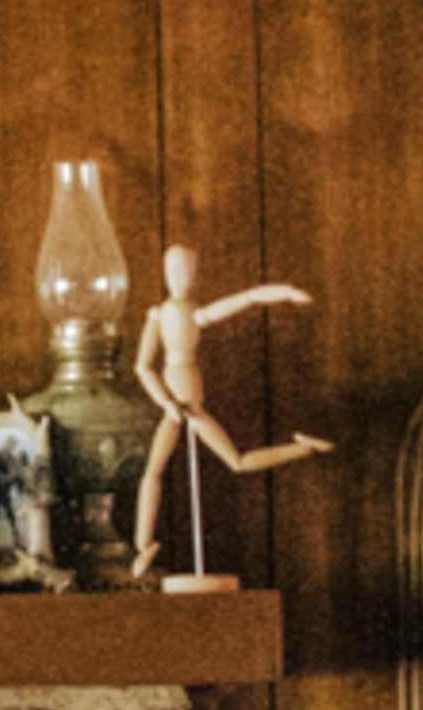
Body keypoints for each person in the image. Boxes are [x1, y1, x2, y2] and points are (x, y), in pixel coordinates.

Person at [128, 242, 328, 582]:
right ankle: (143, 544)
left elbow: (247, 299)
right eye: (176, 269)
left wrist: (286, 292)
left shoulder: (195, 313)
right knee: (154, 471)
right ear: (166, 273)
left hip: (193, 405)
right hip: (178, 407)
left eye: (189, 269)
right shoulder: (159, 316)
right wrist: (165, 402)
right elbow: (142, 367)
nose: (183, 276)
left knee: (235, 461)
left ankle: (303, 447)